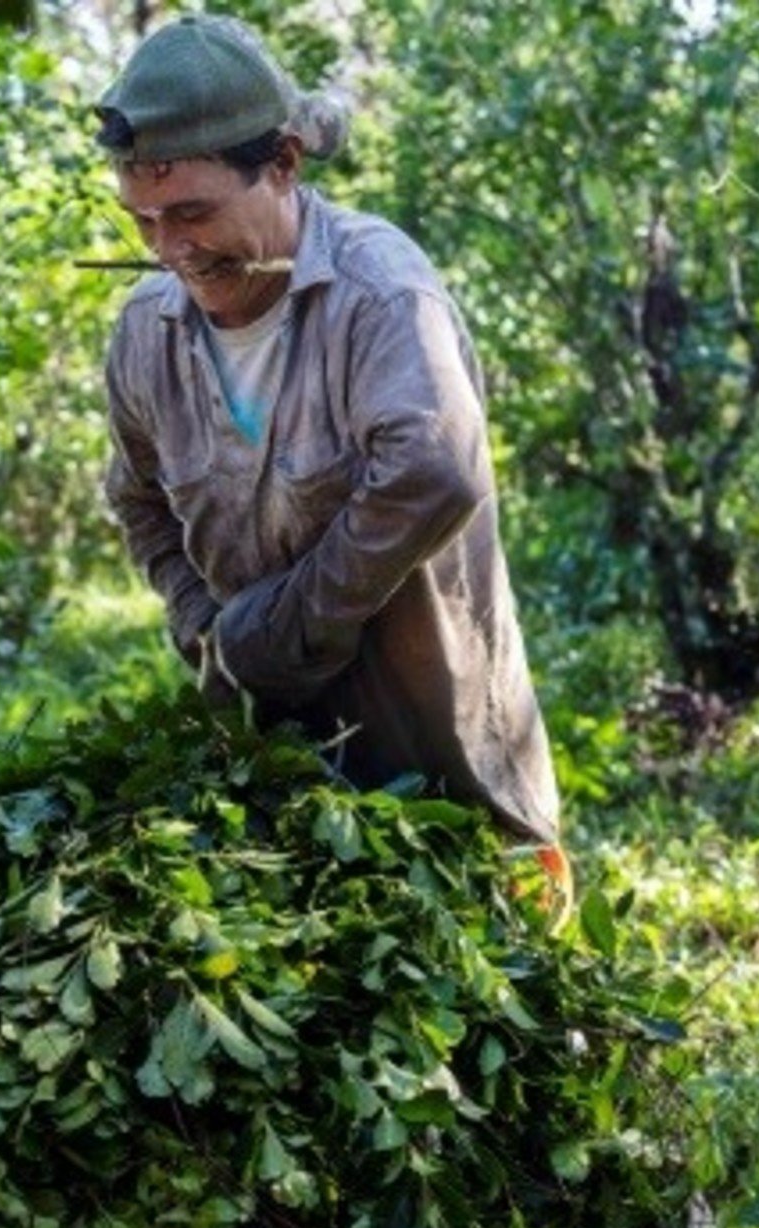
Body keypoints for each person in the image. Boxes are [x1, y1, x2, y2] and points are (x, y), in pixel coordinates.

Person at [96, 15, 566, 874]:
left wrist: (285, 630)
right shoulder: (143, 334)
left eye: (194, 214)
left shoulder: (378, 296)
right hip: (271, 777)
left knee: (480, 969)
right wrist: (208, 629)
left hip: (434, 760)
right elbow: (138, 499)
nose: (172, 252)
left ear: (282, 165)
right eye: (145, 222)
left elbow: (435, 470)